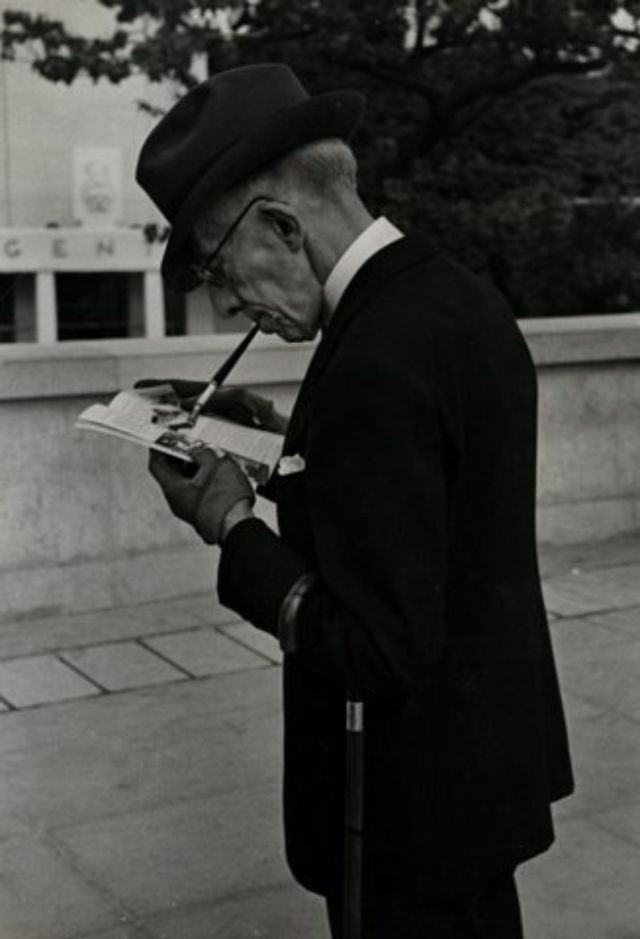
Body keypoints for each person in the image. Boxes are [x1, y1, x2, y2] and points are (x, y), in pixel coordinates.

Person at [136, 63, 574, 938]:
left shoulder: (371, 362)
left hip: (403, 810)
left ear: (284, 225)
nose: (227, 306)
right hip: (482, 778)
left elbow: (374, 647)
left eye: (219, 267)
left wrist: (228, 522)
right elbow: (434, 505)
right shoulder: (456, 301)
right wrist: (289, 445)